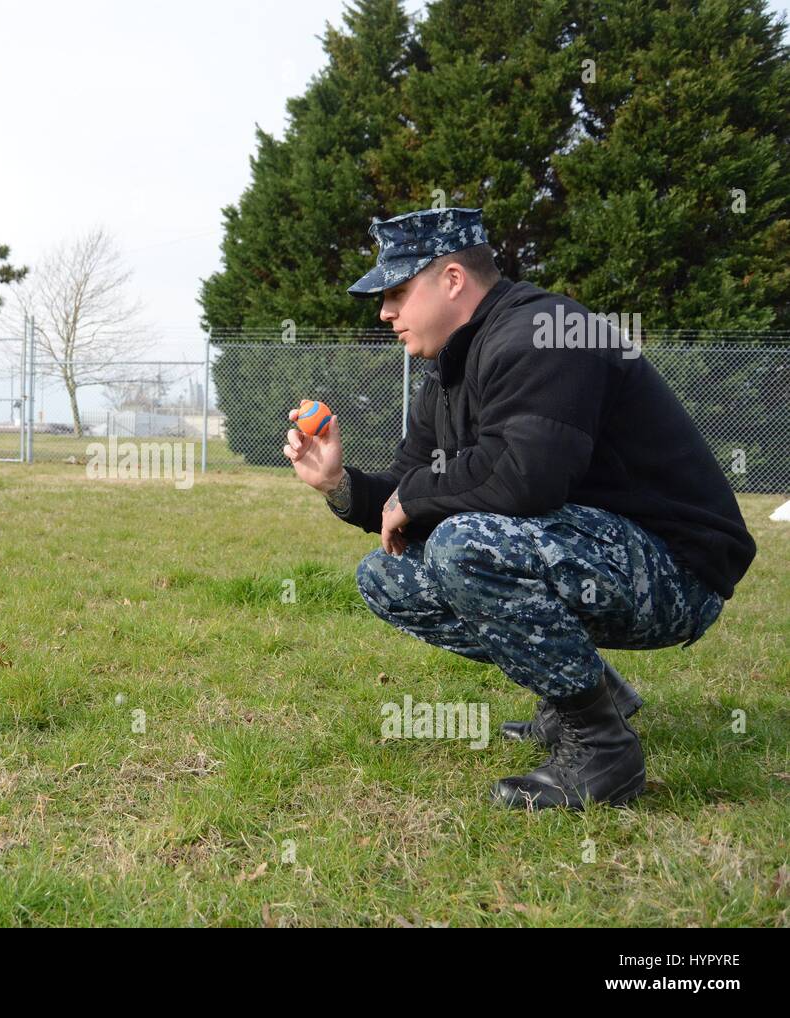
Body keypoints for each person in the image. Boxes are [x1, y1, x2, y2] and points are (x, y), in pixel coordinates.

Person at [283, 207, 757, 810]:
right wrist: (337, 483)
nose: (385, 312)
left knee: (464, 545)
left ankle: (604, 750)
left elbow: (529, 478)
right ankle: (589, 695)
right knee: (386, 577)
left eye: (398, 291)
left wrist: (419, 497)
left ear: (452, 280)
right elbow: (407, 487)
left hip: (677, 569)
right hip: (593, 550)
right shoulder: (449, 368)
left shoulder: (546, 331)